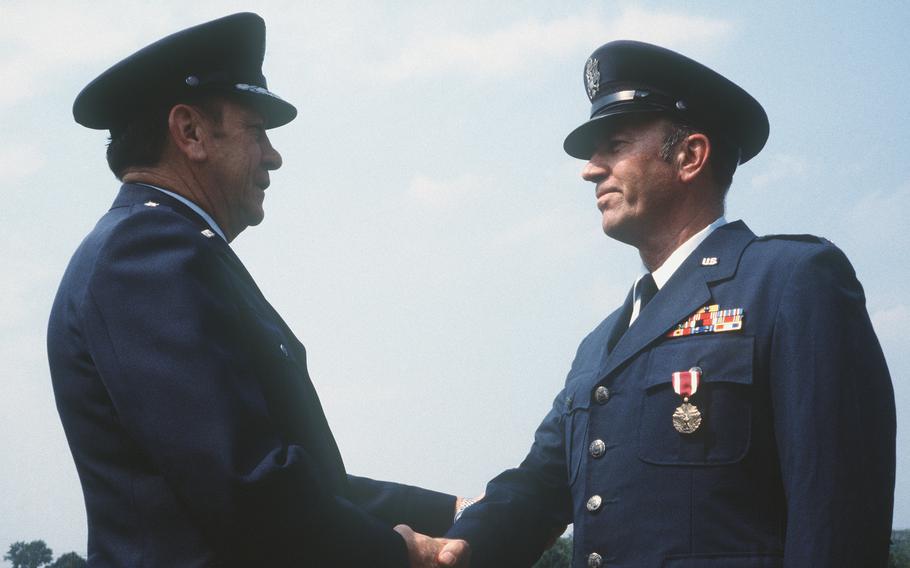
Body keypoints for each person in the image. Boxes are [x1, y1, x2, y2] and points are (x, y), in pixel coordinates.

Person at [444, 40, 896, 567]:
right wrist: (454, 546)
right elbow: (539, 485)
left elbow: (837, 517)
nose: (590, 170)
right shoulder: (600, 346)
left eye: (614, 144)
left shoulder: (790, 282)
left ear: (690, 156)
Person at [47, 13, 468, 567]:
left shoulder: (170, 247)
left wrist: (452, 511)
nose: (273, 155)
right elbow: (246, 484)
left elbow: (297, 478)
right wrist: (398, 552)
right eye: (256, 131)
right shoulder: (144, 255)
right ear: (190, 132)